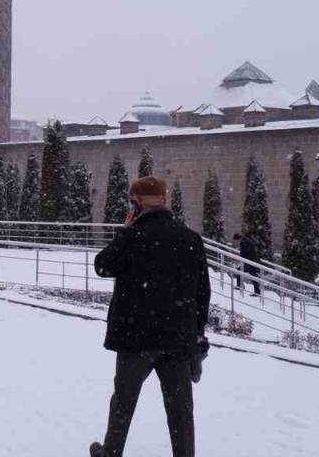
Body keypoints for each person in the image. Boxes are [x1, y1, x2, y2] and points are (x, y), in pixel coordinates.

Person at [90, 176, 211, 457]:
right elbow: (202, 293)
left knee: (123, 402)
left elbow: (102, 265)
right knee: (180, 410)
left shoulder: (133, 237)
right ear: (165, 201)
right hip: (178, 339)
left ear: (137, 203)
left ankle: (111, 453)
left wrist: (126, 230)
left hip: (136, 339)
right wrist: (197, 332)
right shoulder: (190, 239)